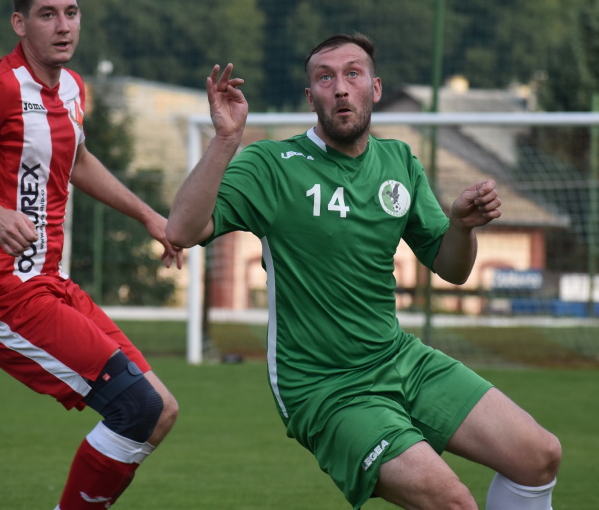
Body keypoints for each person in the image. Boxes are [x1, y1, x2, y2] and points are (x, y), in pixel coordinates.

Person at [166, 33, 562, 510]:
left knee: (539, 456)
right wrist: (227, 139)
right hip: (324, 387)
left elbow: (452, 269)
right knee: (453, 502)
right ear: (310, 98)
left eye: (353, 74)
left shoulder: (399, 162)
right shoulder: (272, 164)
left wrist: (460, 226)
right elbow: (183, 229)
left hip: (399, 360)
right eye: (325, 77)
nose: (340, 87)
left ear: (375, 88)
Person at [0, 0, 182, 510]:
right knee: (136, 409)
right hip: (1, 294)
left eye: (71, 13)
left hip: (51, 284)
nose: (63, 26)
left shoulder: (73, 88)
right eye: (47, 15)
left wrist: (147, 215)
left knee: (161, 409)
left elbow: (76, 160)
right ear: (19, 24)